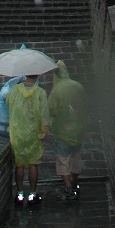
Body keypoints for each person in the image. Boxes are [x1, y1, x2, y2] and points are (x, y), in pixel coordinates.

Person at [6, 74, 49, 206]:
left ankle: (19, 194)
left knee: (19, 164)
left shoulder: (14, 90)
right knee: (33, 163)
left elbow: (8, 102)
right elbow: (44, 113)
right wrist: (44, 130)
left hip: (17, 131)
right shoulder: (40, 93)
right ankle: (32, 194)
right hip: (33, 132)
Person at [48, 60, 88, 200]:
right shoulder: (78, 86)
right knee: (76, 156)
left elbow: (51, 110)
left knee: (63, 158)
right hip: (78, 129)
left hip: (62, 130)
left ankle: (68, 187)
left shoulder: (57, 90)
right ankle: (75, 181)